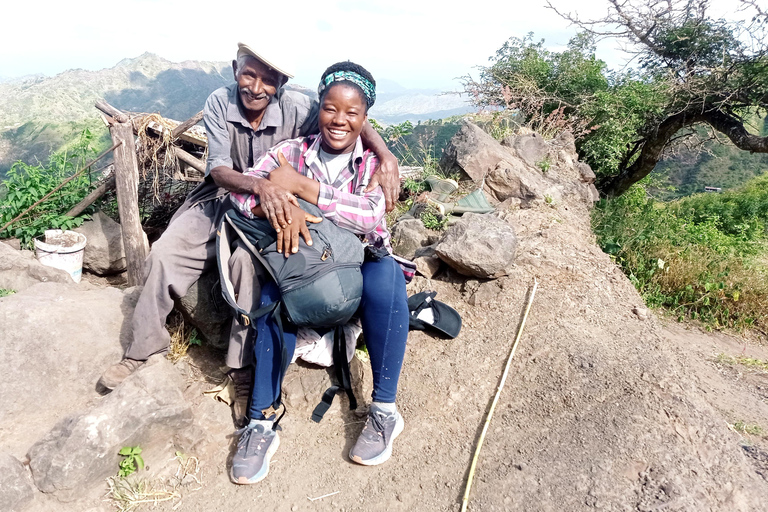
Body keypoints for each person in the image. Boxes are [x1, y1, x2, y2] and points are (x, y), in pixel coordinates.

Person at [96, 44, 400, 427]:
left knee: (247, 267)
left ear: (282, 84)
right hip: (228, 195)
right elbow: (221, 171)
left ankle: (241, 371)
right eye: (248, 74)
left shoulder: (300, 107)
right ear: (234, 68)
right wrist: (263, 190)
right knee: (165, 254)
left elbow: (344, 113)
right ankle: (142, 349)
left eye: (268, 79)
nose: (256, 87)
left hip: (277, 208)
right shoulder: (220, 101)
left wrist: (385, 155)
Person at [227, 61, 410, 485]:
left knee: (387, 280)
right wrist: (276, 198)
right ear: (320, 108)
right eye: (330, 109)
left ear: (365, 120)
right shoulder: (289, 152)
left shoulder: (371, 165)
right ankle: (261, 420)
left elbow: (368, 216)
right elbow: (239, 197)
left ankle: (384, 411)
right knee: (273, 298)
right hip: (306, 266)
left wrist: (303, 189)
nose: (339, 120)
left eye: (352, 113)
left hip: (363, 261)